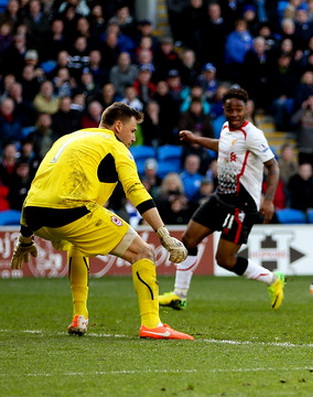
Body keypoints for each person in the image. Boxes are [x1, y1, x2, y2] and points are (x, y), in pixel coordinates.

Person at [10, 102, 193, 340]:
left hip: (35, 217)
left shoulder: (67, 139)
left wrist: (25, 237)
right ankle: (152, 323)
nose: (133, 137)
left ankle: (80, 316)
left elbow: (39, 187)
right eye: (132, 130)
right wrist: (164, 235)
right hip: (72, 211)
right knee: (144, 252)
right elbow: (135, 190)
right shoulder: (114, 146)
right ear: (118, 126)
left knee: (78, 245)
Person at [158, 87, 285, 311]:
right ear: (224, 109)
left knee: (224, 260)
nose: (234, 114)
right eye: (229, 109)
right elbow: (223, 146)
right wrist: (196, 139)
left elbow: (273, 166)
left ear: (246, 109)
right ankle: (179, 295)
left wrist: (268, 200)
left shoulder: (253, 134)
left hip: (242, 205)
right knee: (187, 241)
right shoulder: (226, 127)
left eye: (239, 109)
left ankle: (273, 279)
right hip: (220, 197)